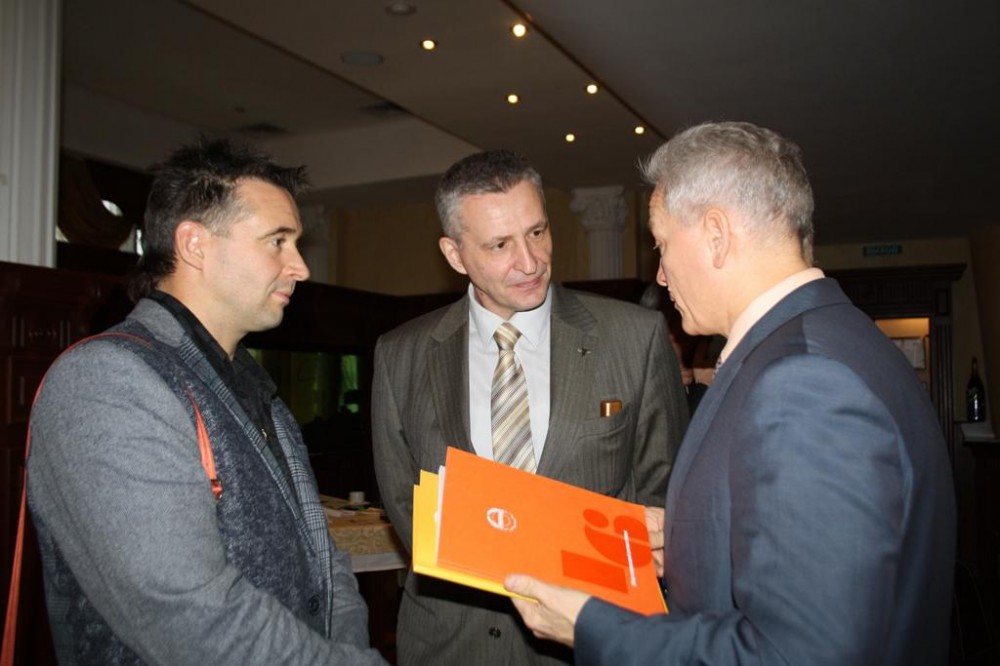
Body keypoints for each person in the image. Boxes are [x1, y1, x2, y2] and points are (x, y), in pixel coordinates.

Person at [505, 121, 957, 665]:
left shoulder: (805, 380)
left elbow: (797, 655)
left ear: (716, 235)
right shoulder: (833, 338)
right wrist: (693, 542)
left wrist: (593, 627)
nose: (661, 275)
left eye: (662, 244)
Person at [27, 137, 385, 664]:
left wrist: (347, 649)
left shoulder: (254, 387)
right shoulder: (105, 380)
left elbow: (323, 561)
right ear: (195, 244)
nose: (300, 267)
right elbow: (187, 615)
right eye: (277, 241)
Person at [372, 149, 690, 665]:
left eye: (537, 232)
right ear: (455, 255)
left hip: (587, 641)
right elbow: (406, 505)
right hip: (451, 645)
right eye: (500, 245)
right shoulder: (400, 355)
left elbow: (665, 492)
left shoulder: (635, 338)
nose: (530, 261)